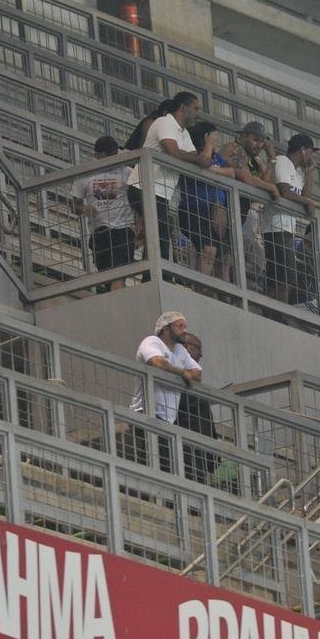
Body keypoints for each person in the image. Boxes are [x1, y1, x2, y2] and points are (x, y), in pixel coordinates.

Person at [125, 92, 214, 261]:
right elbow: (172, 150)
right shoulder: (165, 122)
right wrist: (198, 159)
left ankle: (150, 277)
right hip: (142, 187)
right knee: (161, 235)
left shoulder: (184, 133)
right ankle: (160, 277)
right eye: (195, 109)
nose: (198, 113)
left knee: (159, 234)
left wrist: (207, 148)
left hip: (159, 193)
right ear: (183, 108)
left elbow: (196, 160)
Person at [132, 311, 201, 472]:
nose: (184, 330)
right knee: (157, 464)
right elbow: (157, 362)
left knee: (168, 465)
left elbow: (198, 374)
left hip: (168, 419)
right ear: (166, 328)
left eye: (185, 326)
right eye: (179, 326)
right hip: (147, 413)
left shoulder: (180, 350)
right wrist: (182, 373)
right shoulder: (152, 342)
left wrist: (183, 373)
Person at [72, 135, 135, 292]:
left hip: (123, 229)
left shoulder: (127, 172)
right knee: (106, 275)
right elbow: (75, 206)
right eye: (109, 156)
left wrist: (140, 224)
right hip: (99, 231)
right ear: (98, 155)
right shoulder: (85, 174)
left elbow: (139, 199)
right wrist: (85, 209)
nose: (113, 159)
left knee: (118, 273)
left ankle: (118, 304)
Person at [222, 122, 280, 292]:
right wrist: (272, 188)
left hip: (239, 210)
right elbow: (248, 179)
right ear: (244, 136)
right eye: (255, 140)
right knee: (221, 255)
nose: (259, 145)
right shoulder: (235, 148)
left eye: (262, 142)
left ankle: (226, 293)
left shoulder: (254, 160)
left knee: (227, 255)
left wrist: (272, 159)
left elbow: (265, 182)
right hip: (224, 206)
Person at [263, 133, 318, 304]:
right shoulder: (282, 161)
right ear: (302, 150)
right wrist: (307, 201)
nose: (311, 156)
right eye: (310, 151)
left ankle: (273, 313)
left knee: (279, 276)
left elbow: (306, 196)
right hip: (275, 226)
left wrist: (310, 172)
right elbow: (285, 191)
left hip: (287, 229)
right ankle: (279, 313)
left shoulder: (299, 171)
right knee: (286, 277)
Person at [178, 120, 235, 278]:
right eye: (214, 137)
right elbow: (204, 166)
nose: (217, 140)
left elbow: (232, 172)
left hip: (218, 211)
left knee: (224, 256)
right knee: (208, 250)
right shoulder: (192, 153)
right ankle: (202, 288)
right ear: (206, 136)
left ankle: (220, 296)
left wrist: (214, 170)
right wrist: (208, 148)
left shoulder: (217, 157)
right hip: (196, 208)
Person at [174, 332, 220, 485]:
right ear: (186, 346)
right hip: (184, 441)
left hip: (200, 446)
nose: (201, 354)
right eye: (198, 348)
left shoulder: (193, 376)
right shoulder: (174, 369)